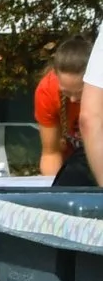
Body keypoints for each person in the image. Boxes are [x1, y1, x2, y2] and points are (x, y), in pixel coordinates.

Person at [37, 32, 93, 185]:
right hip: (72, 165)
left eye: (80, 92)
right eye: (66, 92)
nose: (74, 99)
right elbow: (51, 153)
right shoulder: (47, 90)